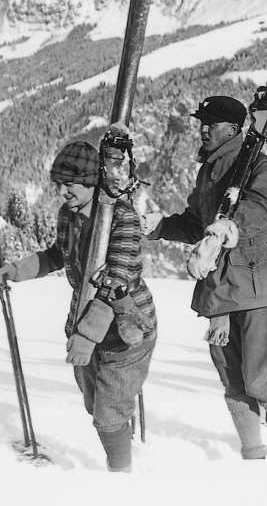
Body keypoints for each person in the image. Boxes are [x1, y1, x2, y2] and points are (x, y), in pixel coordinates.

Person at [143, 95, 267, 458]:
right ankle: (252, 456)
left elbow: (261, 211)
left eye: (211, 124)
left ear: (234, 129)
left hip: (258, 285)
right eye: (201, 123)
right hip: (220, 291)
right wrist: (160, 227)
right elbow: (197, 223)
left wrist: (228, 227)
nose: (203, 130)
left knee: (258, 380)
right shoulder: (208, 171)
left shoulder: (258, 166)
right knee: (233, 381)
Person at [0, 141, 156, 472]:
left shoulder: (122, 217)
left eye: (69, 183)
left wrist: (85, 337)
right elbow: (57, 255)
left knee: (108, 415)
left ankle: (122, 478)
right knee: (95, 403)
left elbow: (114, 282)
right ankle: (122, 446)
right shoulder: (68, 215)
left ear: (90, 181)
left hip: (126, 328)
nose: (62, 191)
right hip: (84, 319)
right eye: (59, 183)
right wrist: (16, 269)